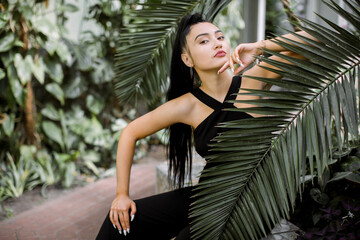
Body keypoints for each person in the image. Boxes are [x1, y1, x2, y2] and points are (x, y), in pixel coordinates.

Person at [96, 13, 313, 240]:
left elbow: (318, 40)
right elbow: (129, 132)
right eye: (204, 41)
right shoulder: (187, 105)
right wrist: (122, 194)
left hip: (252, 204)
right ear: (187, 59)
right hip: (208, 197)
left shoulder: (256, 79)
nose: (217, 43)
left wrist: (260, 47)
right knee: (118, 224)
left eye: (219, 37)